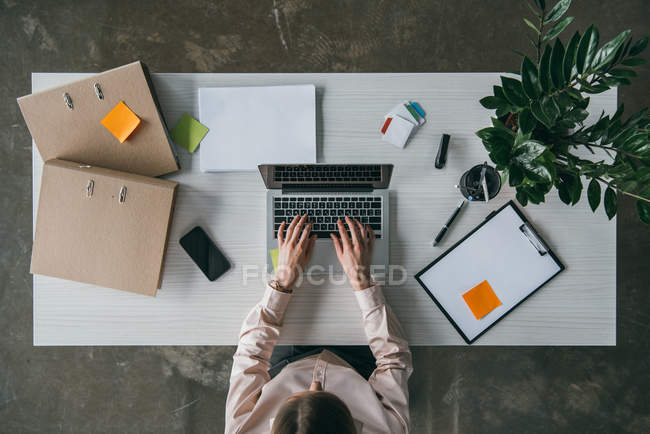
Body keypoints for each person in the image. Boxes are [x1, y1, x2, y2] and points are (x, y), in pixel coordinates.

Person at [225, 215, 412, 433]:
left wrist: (283, 282)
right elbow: (393, 360)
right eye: (327, 395)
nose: (315, 382)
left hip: (285, 364)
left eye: (295, 397)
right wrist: (361, 281)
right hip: (360, 368)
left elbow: (250, 357)